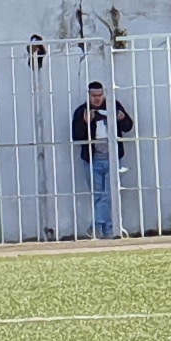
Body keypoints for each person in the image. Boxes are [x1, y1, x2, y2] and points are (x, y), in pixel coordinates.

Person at [67, 79, 135, 238]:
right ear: (89, 96)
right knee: (99, 195)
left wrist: (122, 119)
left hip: (112, 159)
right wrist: (85, 123)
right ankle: (109, 229)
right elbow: (77, 137)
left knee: (110, 194)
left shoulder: (113, 106)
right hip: (92, 160)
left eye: (100, 95)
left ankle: (97, 226)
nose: (97, 99)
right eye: (94, 96)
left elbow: (128, 126)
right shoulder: (82, 111)